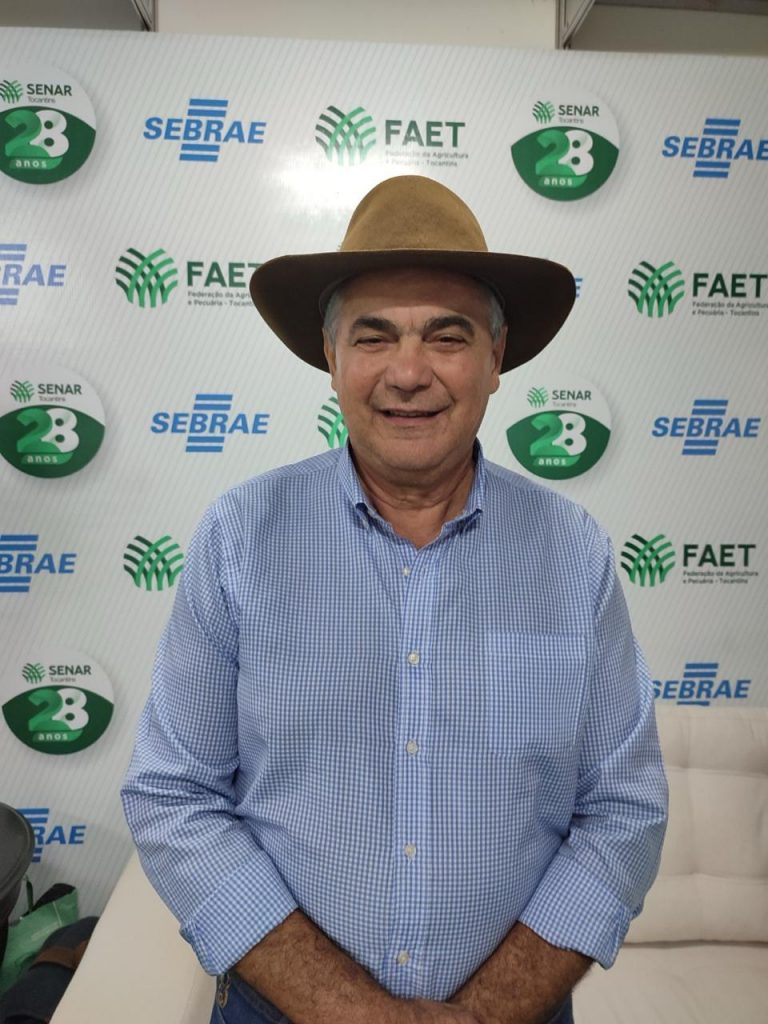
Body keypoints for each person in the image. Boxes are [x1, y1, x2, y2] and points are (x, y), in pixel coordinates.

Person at [121, 175, 668, 1024]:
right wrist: (356, 1013)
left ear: (495, 360)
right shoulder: (240, 537)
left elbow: (623, 812)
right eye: (374, 337)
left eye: (447, 337)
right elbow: (174, 795)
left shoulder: (574, 553)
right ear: (331, 358)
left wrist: (482, 1014)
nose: (409, 373)